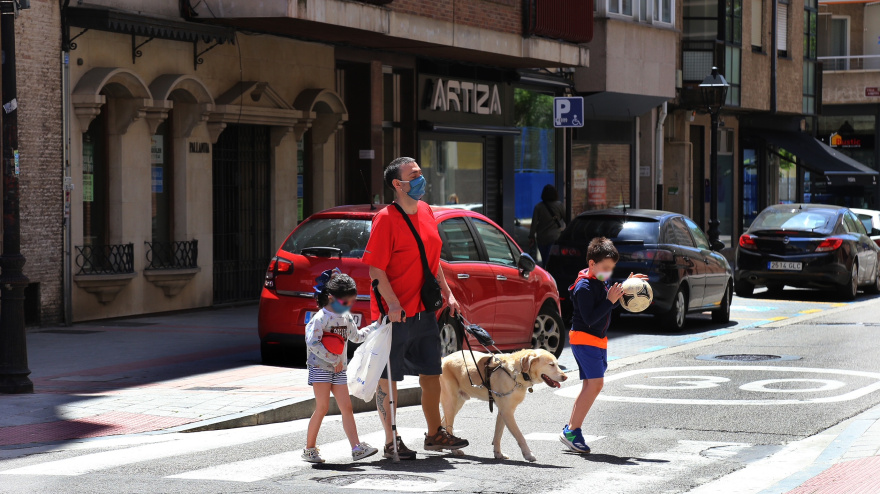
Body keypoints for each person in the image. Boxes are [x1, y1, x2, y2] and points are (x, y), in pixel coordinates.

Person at [362, 156, 468, 460]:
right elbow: (375, 271)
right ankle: (390, 440)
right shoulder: (386, 218)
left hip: (424, 311)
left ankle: (435, 435)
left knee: (431, 374)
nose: (422, 178)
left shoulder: (425, 210)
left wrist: (449, 294)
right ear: (398, 184)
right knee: (389, 378)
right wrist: (393, 304)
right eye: (414, 175)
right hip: (394, 315)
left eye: (421, 172)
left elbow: (432, 262)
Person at [560, 237, 647, 454]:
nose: (608, 273)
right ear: (592, 264)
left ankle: (570, 430)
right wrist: (610, 301)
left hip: (595, 342)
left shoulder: (598, 280)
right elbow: (590, 318)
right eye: (605, 268)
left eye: (611, 269)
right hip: (584, 340)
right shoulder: (584, 286)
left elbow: (606, 302)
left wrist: (626, 286)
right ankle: (573, 430)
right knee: (596, 385)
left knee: (590, 386)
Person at [302, 269, 379, 464]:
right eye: (345, 302)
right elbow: (312, 342)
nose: (349, 306)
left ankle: (356, 448)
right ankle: (309, 449)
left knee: (347, 407)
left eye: (352, 302)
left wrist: (376, 327)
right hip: (321, 368)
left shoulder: (346, 317)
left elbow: (356, 337)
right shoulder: (320, 318)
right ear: (331, 298)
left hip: (339, 369)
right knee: (322, 407)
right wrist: (333, 359)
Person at [529, 185, 566, 267]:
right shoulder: (559, 205)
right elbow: (567, 219)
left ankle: (546, 271)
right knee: (552, 259)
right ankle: (550, 273)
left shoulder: (538, 207)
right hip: (554, 237)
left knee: (544, 258)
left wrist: (531, 236)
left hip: (541, 237)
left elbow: (534, 223)